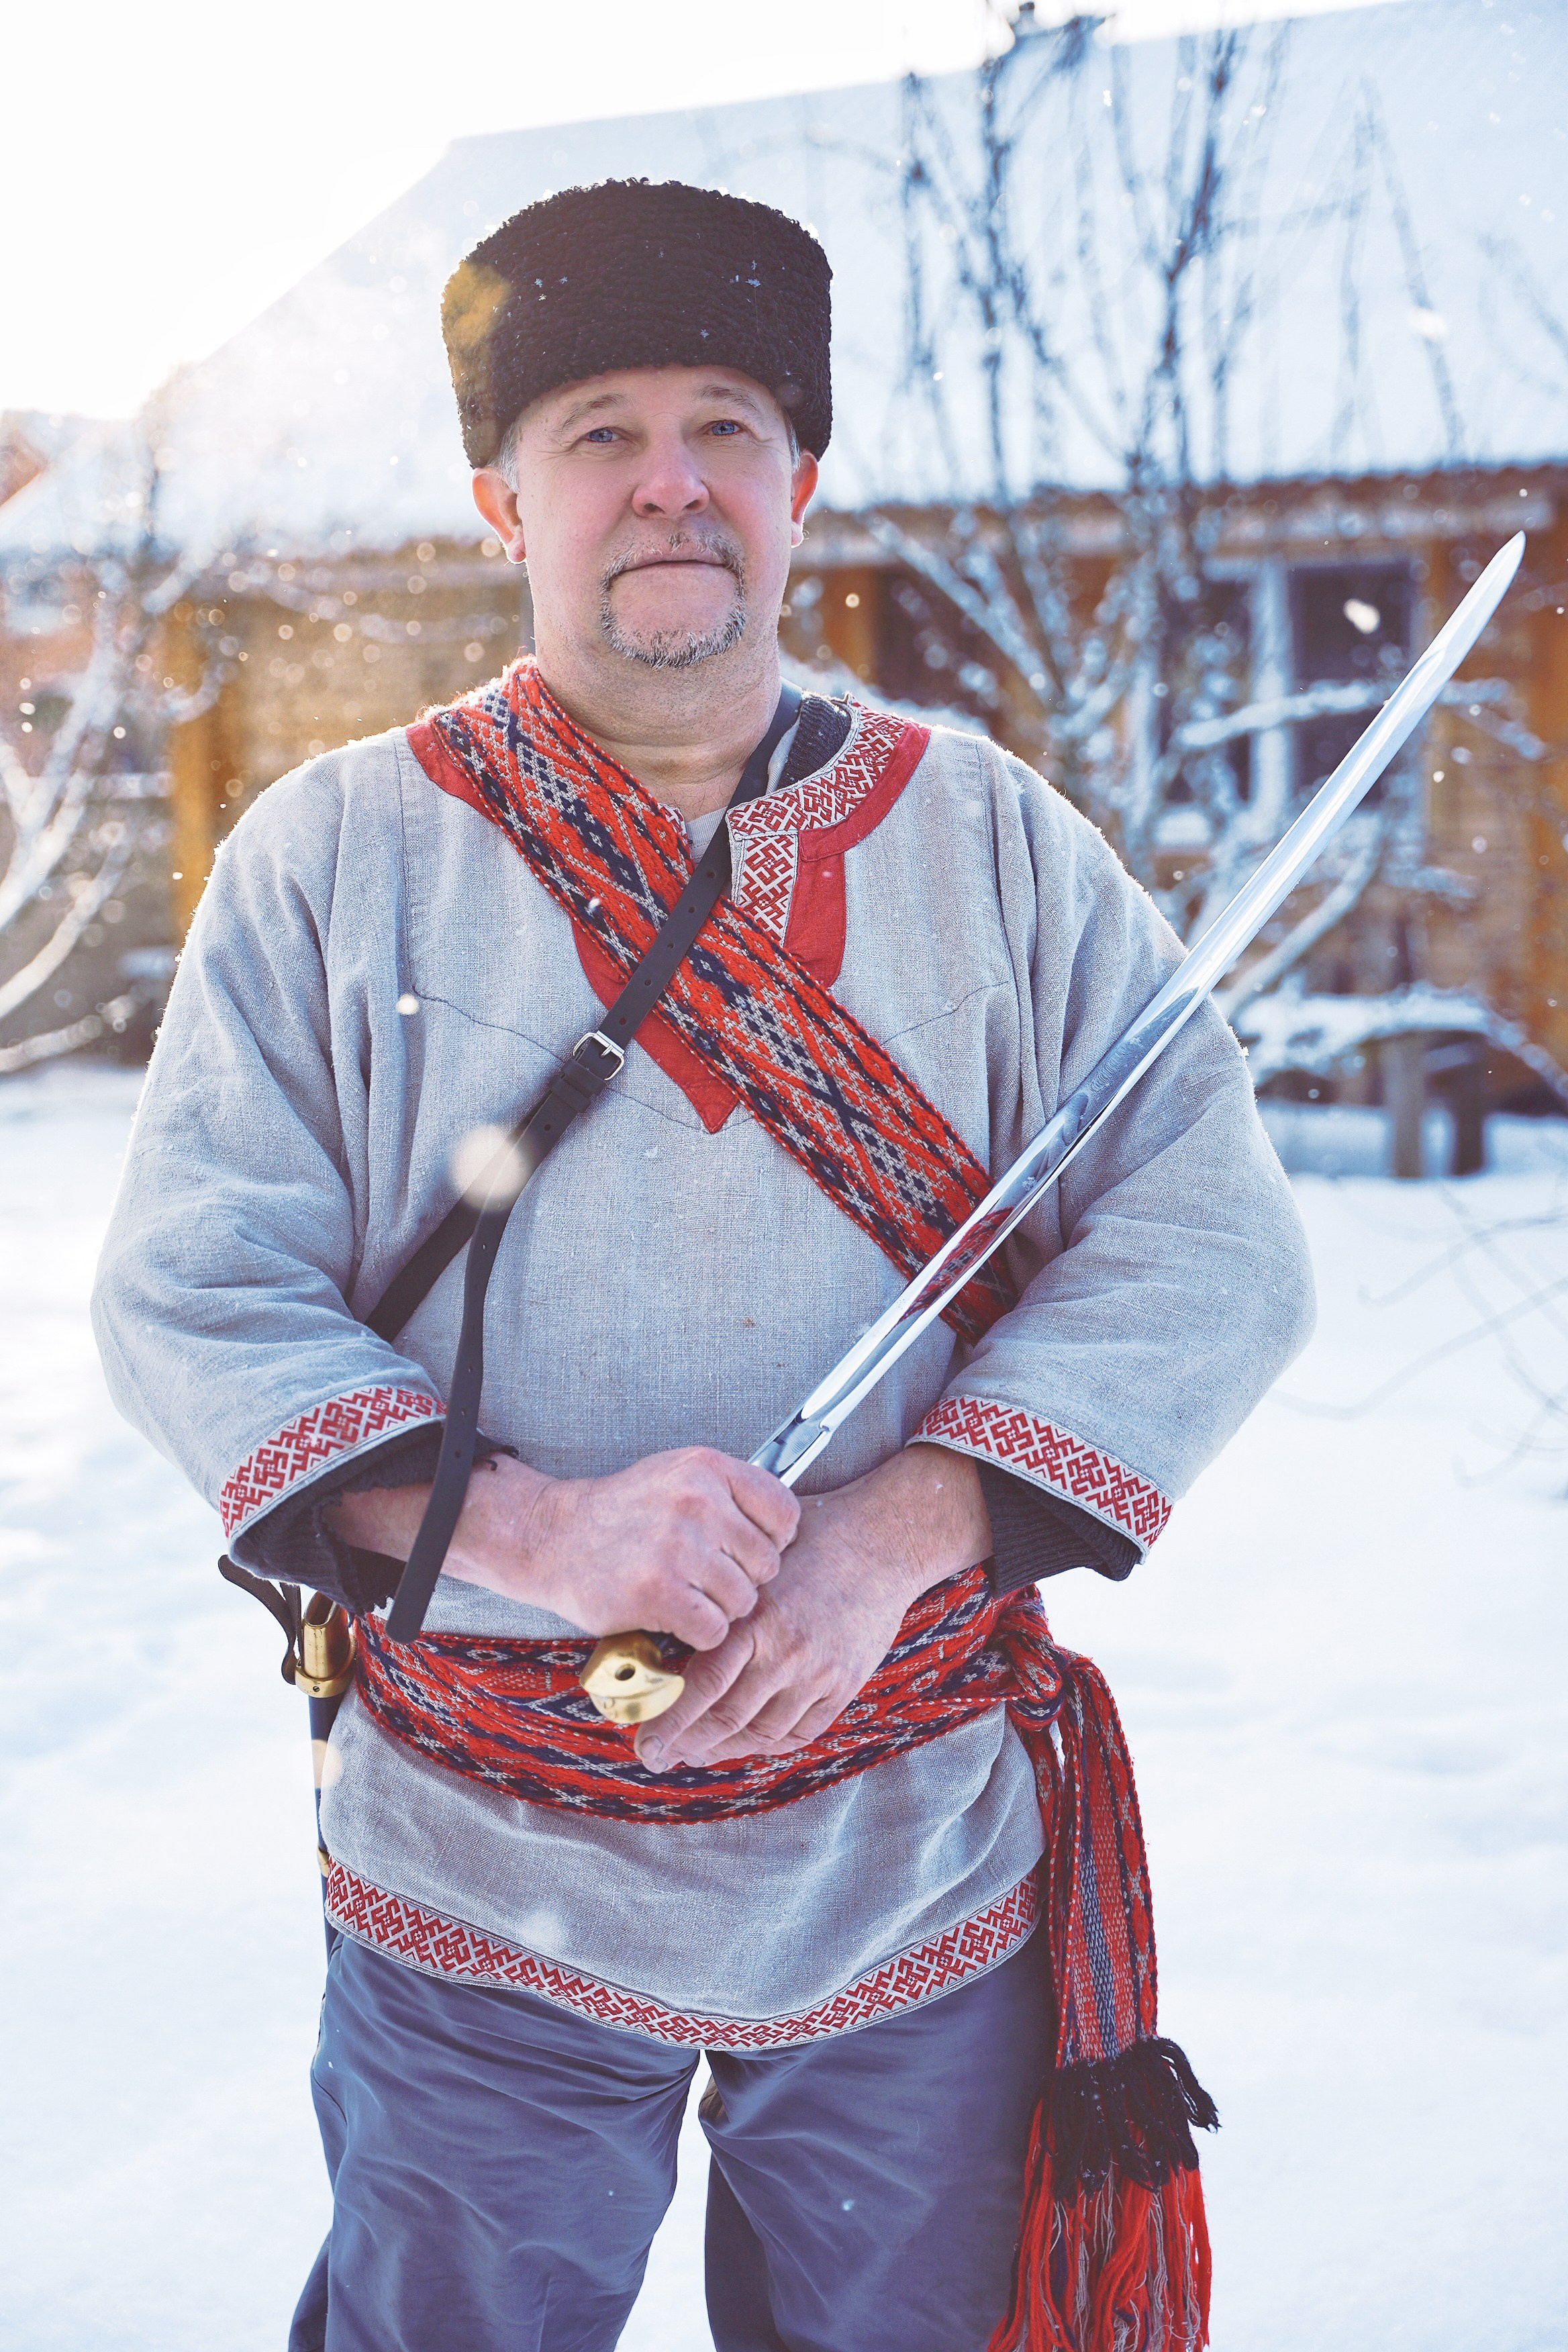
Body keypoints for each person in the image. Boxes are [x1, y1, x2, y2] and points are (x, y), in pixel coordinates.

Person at [93, 179, 1315, 2352]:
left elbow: (1207, 1236)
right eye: (597, 431)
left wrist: (902, 1532)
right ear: (500, 499)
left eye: (728, 424)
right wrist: (543, 1529)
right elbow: (197, 1286)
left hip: (915, 1866)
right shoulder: (336, 853)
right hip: (477, 1868)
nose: (673, 483)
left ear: (802, 482)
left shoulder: (1002, 845)